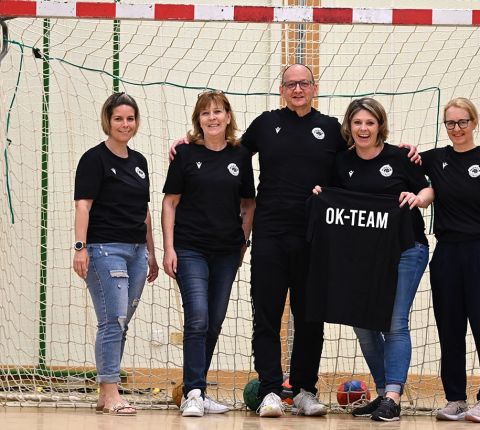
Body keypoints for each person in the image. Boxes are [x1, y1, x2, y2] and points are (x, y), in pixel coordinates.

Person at [169, 65, 420, 418]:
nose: (297, 89)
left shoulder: (331, 129)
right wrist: (188, 143)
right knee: (266, 315)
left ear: (314, 88)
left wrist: (404, 151)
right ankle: (271, 390)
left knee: (310, 317)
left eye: (303, 83)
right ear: (282, 89)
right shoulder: (265, 124)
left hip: (316, 238)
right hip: (270, 234)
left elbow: (367, 147)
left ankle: (304, 390)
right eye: (291, 84)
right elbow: (227, 149)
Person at [313, 97, 434, 421]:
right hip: (362, 256)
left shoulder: (401, 157)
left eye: (370, 122)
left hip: (406, 249)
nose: (363, 128)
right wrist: (321, 197)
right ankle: (383, 393)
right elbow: (334, 201)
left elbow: (428, 190)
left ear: (380, 125)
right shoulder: (341, 162)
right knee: (363, 324)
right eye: (357, 122)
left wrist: (418, 198)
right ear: (349, 127)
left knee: (394, 322)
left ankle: (393, 396)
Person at [161, 91, 256, 417]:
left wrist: (243, 244)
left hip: (226, 253)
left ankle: (197, 389)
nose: (212, 118)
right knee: (198, 316)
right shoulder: (185, 154)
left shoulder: (240, 155)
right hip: (190, 249)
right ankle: (193, 393)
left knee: (213, 321)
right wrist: (169, 248)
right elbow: (170, 202)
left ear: (228, 117)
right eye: (205, 113)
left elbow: (249, 204)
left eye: (218, 112)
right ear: (198, 120)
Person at [73, 92, 159, 416]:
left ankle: (104, 393)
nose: (125, 124)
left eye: (130, 118)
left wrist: (152, 253)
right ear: (107, 121)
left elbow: (144, 212)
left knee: (121, 323)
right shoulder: (93, 159)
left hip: (137, 253)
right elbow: (83, 206)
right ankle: (111, 393)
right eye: (119, 118)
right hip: (104, 250)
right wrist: (80, 248)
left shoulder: (139, 163)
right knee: (113, 320)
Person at [421, 98, 480, 423]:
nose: (456, 129)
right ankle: (455, 398)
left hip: (477, 251)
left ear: (474, 122)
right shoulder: (435, 159)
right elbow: (400, 164)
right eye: (450, 123)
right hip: (446, 253)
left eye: (462, 122)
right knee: (450, 327)